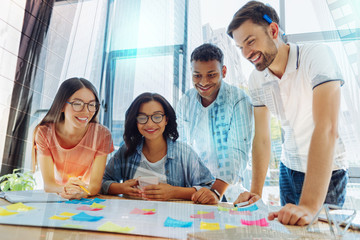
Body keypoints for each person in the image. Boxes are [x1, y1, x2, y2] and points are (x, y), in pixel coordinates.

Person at [227, 1, 348, 226]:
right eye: (240, 47)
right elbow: (262, 139)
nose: (246, 54)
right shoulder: (256, 79)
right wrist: (256, 192)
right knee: (288, 232)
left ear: (273, 31)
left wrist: (310, 206)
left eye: (250, 42)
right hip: (288, 170)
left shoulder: (316, 55)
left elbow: (327, 128)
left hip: (328, 172)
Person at [176, 43, 253, 204]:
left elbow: (237, 151)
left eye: (211, 75)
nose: (203, 82)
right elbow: (180, 146)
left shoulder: (239, 100)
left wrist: (216, 192)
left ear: (223, 72)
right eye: (197, 76)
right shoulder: (186, 101)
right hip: (194, 188)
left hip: (227, 189)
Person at [101, 92, 215, 202]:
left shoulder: (185, 154)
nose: (150, 124)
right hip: (133, 219)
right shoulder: (127, 150)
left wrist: (174, 192)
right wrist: (120, 188)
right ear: (135, 122)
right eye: (142, 117)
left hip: (172, 219)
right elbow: (102, 181)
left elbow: (209, 188)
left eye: (157, 116)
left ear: (166, 119)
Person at [33, 77, 114, 199]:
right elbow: (49, 185)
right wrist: (66, 189)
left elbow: (95, 186)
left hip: (86, 197)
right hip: (58, 196)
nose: (86, 111)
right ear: (61, 106)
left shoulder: (102, 135)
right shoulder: (44, 133)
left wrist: (82, 191)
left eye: (91, 105)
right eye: (77, 104)